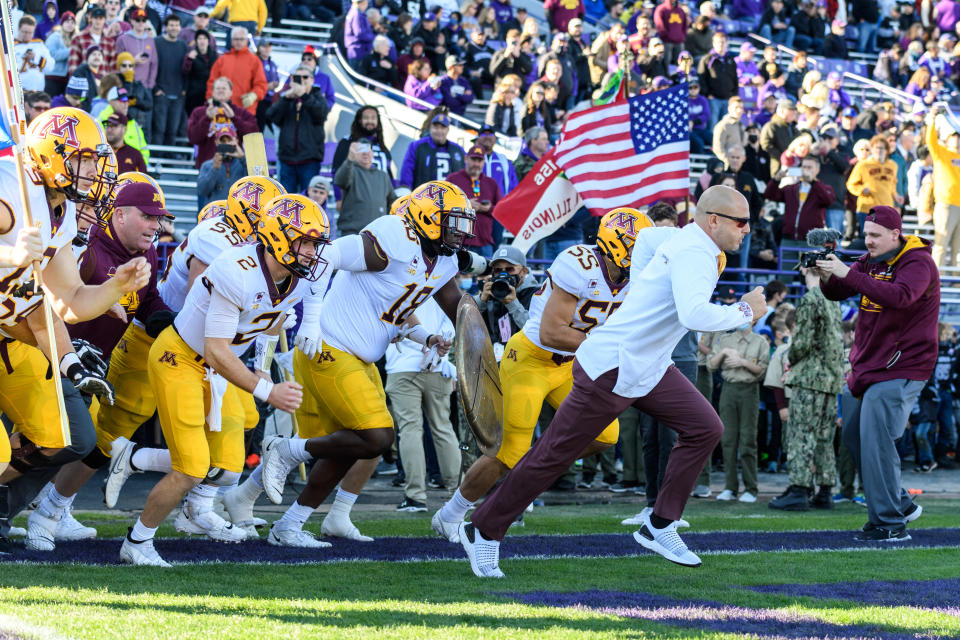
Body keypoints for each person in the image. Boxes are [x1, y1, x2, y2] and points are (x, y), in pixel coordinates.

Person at [455, 187, 766, 576]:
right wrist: (745, 310)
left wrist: (642, 289)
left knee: (705, 428)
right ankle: (481, 528)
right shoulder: (694, 251)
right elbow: (694, 315)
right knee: (552, 455)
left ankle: (660, 524)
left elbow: (648, 240)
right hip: (613, 366)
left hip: (647, 365)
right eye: (741, 222)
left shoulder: (677, 238)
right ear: (714, 220)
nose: (748, 229)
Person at [254, 181, 476, 548]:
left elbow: (420, 310)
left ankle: (289, 525)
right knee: (377, 437)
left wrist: (436, 340)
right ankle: (285, 452)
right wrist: (310, 319)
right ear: (426, 217)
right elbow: (326, 256)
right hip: (330, 348)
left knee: (348, 446)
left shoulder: (442, 261)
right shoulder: (395, 236)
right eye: (452, 222)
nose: (460, 232)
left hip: (358, 359)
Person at [114, 194, 327, 566]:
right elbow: (215, 349)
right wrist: (267, 389)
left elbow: (272, 316)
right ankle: (137, 541)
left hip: (218, 366)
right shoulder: (237, 270)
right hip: (180, 357)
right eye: (305, 241)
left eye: (314, 243)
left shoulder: (299, 273)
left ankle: (150, 473)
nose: (312, 251)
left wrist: (269, 358)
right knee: (192, 466)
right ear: (277, 237)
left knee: (227, 467)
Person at [433, 211, 647, 544]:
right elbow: (551, 332)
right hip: (530, 359)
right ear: (616, 244)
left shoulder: (635, 278)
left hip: (570, 365)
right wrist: (608, 346)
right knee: (508, 454)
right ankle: (450, 513)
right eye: (635, 246)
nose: (640, 256)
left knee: (606, 435)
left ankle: (543, 454)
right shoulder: (579, 263)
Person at [0, 107, 150, 552]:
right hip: (15, 329)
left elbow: (68, 301)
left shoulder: (59, 210)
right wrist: (8, 256)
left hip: (12, 336)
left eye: (94, 159)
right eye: (82, 158)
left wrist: (115, 286)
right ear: (49, 154)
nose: (92, 170)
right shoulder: (10, 184)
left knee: (65, 436)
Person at [23, 182, 173, 551]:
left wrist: (163, 320)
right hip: (50, 355)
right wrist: (102, 298)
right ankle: (32, 512)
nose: (155, 226)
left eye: (158, 219)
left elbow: (148, 298)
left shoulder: (147, 254)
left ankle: (53, 507)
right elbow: (49, 294)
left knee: (82, 441)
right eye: (147, 216)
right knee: (49, 439)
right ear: (119, 214)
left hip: (93, 361)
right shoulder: (86, 247)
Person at [817, 205, 938, 541]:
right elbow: (837, 291)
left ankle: (889, 523)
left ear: (895, 234)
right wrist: (827, 271)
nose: (867, 240)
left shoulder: (918, 262)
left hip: (904, 364)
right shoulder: (872, 260)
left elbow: (901, 297)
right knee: (855, 436)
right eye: (866, 233)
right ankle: (898, 502)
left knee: (876, 440)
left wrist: (849, 272)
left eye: (874, 235)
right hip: (869, 364)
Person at [769, 266, 844, 511]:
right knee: (824, 438)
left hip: (809, 378)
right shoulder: (835, 300)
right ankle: (825, 491)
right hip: (830, 380)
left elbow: (801, 342)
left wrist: (793, 357)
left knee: (800, 434)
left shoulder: (811, 299)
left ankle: (800, 489)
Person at [386, 297, 459, 512]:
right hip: (437, 366)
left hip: (402, 367)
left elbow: (390, 323)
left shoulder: (397, 280)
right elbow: (452, 322)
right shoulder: (440, 282)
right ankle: (459, 494)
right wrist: (436, 349)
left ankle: (416, 496)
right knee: (443, 428)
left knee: (410, 430)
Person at [709, 317, 770, 504]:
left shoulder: (760, 342)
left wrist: (743, 362)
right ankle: (730, 487)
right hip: (728, 389)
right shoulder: (725, 340)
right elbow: (711, 365)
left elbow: (762, 371)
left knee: (748, 440)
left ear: (753, 322)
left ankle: (751, 488)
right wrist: (725, 353)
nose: (741, 322)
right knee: (728, 440)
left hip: (749, 391)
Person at [267, 64, 329, 195]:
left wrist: (304, 96)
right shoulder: (287, 98)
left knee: (308, 200)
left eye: (305, 77)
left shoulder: (318, 96)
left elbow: (321, 114)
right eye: (297, 77)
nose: (301, 80)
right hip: (287, 160)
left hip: (309, 160)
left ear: (312, 80)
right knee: (286, 201)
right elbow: (272, 116)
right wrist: (284, 99)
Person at [187, 76, 259, 169]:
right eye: (218, 88)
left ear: (231, 92)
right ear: (212, 92)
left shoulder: (241, 113)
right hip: (208, 167)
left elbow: (253, 136)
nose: (221, 91)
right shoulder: (200, 112)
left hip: (235, 168)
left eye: (224, 88)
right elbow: (193, 138)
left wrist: (234, 118)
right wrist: (207, 118)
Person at [445, 145, 501, 257]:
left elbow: (501, 209)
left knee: (485, 275)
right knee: (460, 275)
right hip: (459, 242)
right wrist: (466, 204)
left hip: (485, 243)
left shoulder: (491, 183)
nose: (476, 164)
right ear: (466, 159)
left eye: (479, 160)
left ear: (484, 162)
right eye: (473, 159)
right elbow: (445, 206)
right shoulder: (452, 179)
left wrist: (487, 208)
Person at [333, 141, 396, 236]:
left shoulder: (383, 175)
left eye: (368, 149)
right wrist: (350, 159)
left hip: (377, 234)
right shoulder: (350, 170)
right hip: (352, 233)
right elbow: (340, 181)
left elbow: (393, 201)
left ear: (372, 153)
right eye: (360, 150)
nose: (365, 153)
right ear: (354, 154)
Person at [206, 26, 267, 115]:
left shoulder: (254, 61)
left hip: (245, 111)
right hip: (222, 110)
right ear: (231, 41)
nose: (238, 42)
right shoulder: (222, 60)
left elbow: (261, 84)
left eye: (241, 39)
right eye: (236, 39)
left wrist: (254, 95)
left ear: (246, 41)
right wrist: (210, 97)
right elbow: (212, 82)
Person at [926, 108, 960, 267]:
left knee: (958, 249)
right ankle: (937, 281)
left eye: (958, 136)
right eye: (953, 136)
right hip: (946, 204)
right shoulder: (941, 153)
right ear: (947, 139)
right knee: (941, 245)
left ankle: (956, 282)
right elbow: (930, 140)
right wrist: (932, 119)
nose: (957, 139)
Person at [846, 135, 899, 235]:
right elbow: (851, 184)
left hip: (886, 208)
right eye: (876, 148)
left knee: (883, 239)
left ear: (887, 150)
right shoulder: (863, 165)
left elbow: (892, 185)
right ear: (872, 150)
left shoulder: (893, 165)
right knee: (867, 238)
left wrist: (896, 195)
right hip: (867, 208)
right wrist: (861, 190)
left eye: (882, 148)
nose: (879, 151)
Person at [399, 113, 466, 189]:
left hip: (450, 197)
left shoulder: (458, 150)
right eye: (436, 127)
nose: (439, 131)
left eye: (442, 128)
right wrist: (407, 191)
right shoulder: (417, 146)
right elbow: (407, 172)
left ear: (447, 130)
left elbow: (465, 174)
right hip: (423, 196)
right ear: (430, 128)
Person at [152, 15, 188, 146]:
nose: (174, 28)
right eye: (171, 25)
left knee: (173, 131)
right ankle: (156, 160)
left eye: (176, 25)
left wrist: (184, 90)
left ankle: (168, 161)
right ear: (166, 27)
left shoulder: (183, 45)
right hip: (161, 94)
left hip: (178, 95)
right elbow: (151, 66)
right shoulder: (157, 42)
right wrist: (156, 89)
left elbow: (186, 69)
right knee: (159, 130)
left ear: (180, 28)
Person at [331, 106, 393, 179]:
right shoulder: (347, 142)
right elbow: (337, 172)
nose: (370, 121)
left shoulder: (383, 148)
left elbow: (389, 177)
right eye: (366, 118)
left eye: (373, 118)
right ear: (359, 120)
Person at [197, 124, 246, 206]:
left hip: (238, 210)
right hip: (215, 210)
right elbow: (202, 191)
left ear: (236, 141)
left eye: (229, 140)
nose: (226, 143)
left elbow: (254, 181)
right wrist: (214, 169)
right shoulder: (207, 165)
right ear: (216, 142)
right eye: (223, 141)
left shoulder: (244, 163)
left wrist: (243, 159)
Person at [698, 31, 738, 131]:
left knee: (726, 126)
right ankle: (712, 146)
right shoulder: (707, 59)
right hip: (713, 98)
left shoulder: (731, 59)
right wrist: (707, 93)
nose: (721, 44)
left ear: (727, 43)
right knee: (713, 126)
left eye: (723, 42)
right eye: (718, 42)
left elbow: (735, 78)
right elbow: (701, 78)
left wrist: (734, 94)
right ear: (713, 43)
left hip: (728, 98)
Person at [114, 8, 157, 92]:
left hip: (144, 87)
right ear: (132, 21)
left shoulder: (151, 40)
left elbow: (154, 64)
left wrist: (150, 85)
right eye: (138, 20)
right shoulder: (123, 39)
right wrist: (133, 60)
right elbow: (117, 63)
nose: (141, 23)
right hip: (126, 84)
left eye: (144, 20)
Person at [68, 6, 116, 75]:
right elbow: (73, 64)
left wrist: (112, 84)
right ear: (90, 19)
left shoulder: (110, 42)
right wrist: (76, 80)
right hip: (84, 81)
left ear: (105, 20)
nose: (98, 21)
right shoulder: (78, 38)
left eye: (101, 18)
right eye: (95, 18)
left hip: (104, 82)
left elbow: (113, 67)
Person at [14, 15, 55, 93]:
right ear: (19, 29)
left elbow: (50, 67)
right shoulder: (11, 46)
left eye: (30, 32)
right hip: (19, 91)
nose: (27, 35)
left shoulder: (39, 44)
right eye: (25, 32)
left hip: (38, 91)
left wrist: (36, 58)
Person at [760, 99, 798, 177]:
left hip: (794, 167)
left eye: (795, 110)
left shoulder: (793, 128)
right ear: (782, 111)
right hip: (778, 167)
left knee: (794, 186)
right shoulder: (771, 126)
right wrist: (783, 156)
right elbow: (765, 144)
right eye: (791, 109)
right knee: (779, 187)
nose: (794, 112)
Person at [712, 97, 745, 167]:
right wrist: (728, 162)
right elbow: (718, 149)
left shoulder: (741, 125)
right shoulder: (723, 125)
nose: (739, 110)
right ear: (729, 108)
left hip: (740, 166)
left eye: (741, 108)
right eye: (736, 107)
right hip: (727, 167)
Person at [345, 0, 374, 70]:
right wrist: (373, 37)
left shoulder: (354, 12)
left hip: (357, 51)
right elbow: (360, 33)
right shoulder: (356, 14)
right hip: (358, 51)